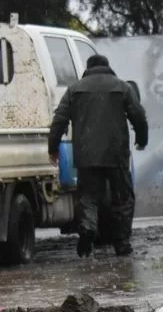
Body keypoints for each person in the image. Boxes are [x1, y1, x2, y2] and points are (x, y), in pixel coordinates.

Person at [48, 54, 148, 258]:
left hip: (86, 155)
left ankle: (87, 229)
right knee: (123, 198)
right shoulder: (122, 87)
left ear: (88, 67)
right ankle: (122, 244)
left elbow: (59, 119)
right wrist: (142, 138)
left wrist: (53, 147)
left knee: (89, 197)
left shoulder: (74, 89)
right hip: (116, 154)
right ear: (107, 66)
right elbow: (138, 115)